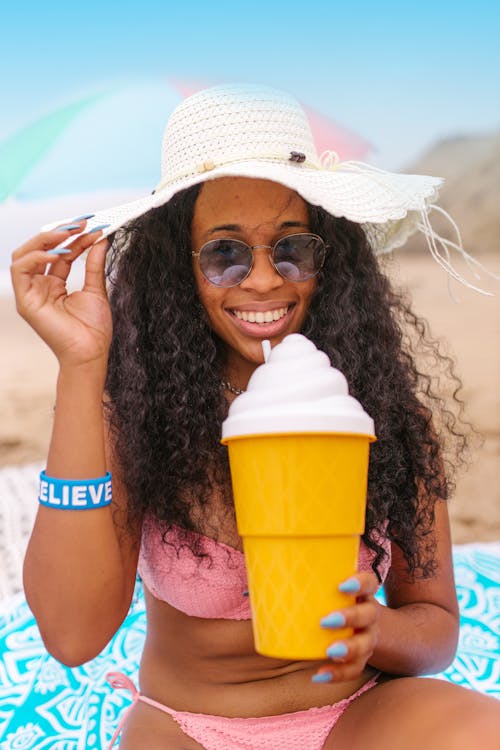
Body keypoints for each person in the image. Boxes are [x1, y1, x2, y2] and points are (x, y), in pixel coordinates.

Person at [10, 84, 499, 749]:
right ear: (176, 270)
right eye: (225, 253)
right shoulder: (134, 422)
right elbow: (71, 637)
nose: (265, 280)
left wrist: (376, 631)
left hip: (358, 715)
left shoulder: (388, 416)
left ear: (330, 260)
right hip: (189, 727)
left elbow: (435, 628)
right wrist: (81, 365)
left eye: (292, 248)